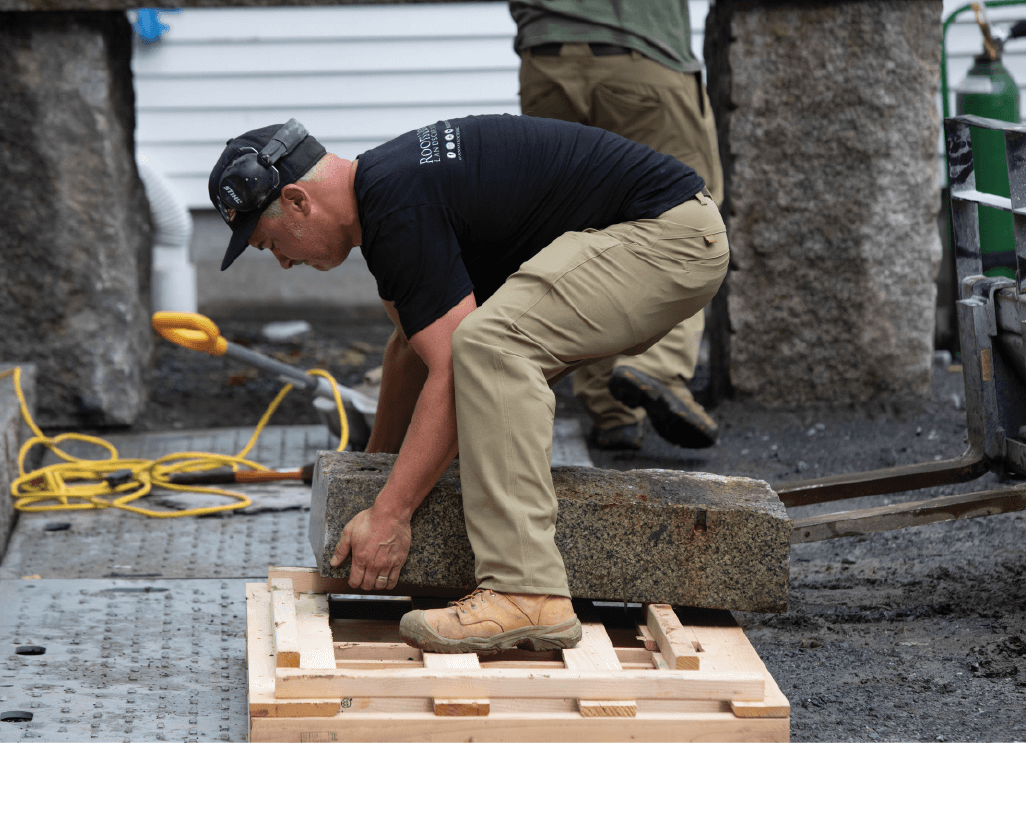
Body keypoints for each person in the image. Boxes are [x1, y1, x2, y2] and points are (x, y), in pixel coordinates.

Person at [208, 114, 728, 654]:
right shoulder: (390, 192)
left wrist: (391, 515)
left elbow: (453, 366)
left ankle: (526, 592)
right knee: (480, 357)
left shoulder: (398, 207)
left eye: (270, 243)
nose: (285, 262)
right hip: (653, 231)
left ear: (297, 200)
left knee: (491, 348)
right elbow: (411, 350)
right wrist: (369, 480)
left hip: (668, 236)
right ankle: (512, 572)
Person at [510, 0, 726, 451]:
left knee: (577, 228)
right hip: (641, 53)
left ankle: (612, 412)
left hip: (545, 58)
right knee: (688, 213)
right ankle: (659, 367)